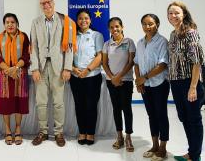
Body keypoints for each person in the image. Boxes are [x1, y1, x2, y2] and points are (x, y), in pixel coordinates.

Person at [30, 0, 76, 147]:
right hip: (41, 68)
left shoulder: (65, 21)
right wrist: (34, 68)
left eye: (48, 2)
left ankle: (59, 132)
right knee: (41, 102)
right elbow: (33, 47)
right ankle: (42, 132)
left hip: (59, 67)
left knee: (58, 102)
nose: (46, 5)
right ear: (40, 5)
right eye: (43, 3)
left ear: (53, 3)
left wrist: (67, 68)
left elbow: (69, 46)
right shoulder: (35, 22)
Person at [167, 2, 205, 161]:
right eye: (170, 13)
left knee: (194, 120)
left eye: (176, 12)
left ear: (184, 14)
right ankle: (191, 152)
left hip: (190, 82)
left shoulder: (190, 33)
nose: (173, 16)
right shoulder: (173, 34)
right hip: (176, 83)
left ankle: (195, 156)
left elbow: (197, 62)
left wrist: (193, 87)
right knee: (184, 117)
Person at [134, 14, 169, 161]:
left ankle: (163, 148)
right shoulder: (140, 42)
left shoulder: (162, 41)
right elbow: (136, 63)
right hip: (145, 85)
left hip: (159, 84)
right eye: (144, 24)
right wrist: (139, 81)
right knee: (151, 115)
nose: (147, 26)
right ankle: (154, 145)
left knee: (161, 114)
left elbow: (163, 64)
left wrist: (145, 77)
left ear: (157, 24)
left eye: (151, 24)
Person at [0, 13, 30, 145]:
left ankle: (18, 128)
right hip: (4, 75)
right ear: (4, 24)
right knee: (5, 103)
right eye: (7, 22)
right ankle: (8, 130)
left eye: (12, 22)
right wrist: (8, 70)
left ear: (17, 23)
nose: (10, 24)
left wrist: (15, 68)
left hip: (20, 74)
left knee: (19, 102)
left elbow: (26, 55)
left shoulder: (24, 37)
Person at [70, 9, 103, 146]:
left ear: (90, 20)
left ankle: (90, 133)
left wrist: (87, 70)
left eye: (86, 18)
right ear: (77, 21)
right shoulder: (72, 36)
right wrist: (73, 68)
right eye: (80, 18)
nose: (83, 21)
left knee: (91, 105)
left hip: (92, 76)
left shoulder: (97, 35)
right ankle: (82, 131)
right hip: (75, 76)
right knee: (79, 106)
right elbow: (66, 55)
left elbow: (100, 56)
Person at [102, 17, 136, 151]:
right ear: (108, 29)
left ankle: (128, 137)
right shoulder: (107, 44)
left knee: (126, 109)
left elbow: (131, 62)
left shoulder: (129, 42)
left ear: (122, 27)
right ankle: (119, 136)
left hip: (125, 81)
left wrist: (119, 76)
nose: (114, 29)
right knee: (116, 109)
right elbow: (104, 63)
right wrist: (112, 78)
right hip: (111, 82)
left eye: (117, 26)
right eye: (111, 27)